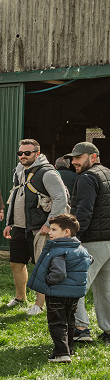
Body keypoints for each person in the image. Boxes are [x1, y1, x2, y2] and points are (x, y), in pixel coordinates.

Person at [3, 139, 68, 315]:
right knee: (16, 263)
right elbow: (14, 195)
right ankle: (20, 298)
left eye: (27, 153)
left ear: (37, 154)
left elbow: (61, 199)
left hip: (39, 229)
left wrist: (50, 224)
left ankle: (39, 305)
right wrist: (9, 222)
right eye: (20, 153)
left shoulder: (48, 173)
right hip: (18, 227)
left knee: (41, 266)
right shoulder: (19, 171)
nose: (23, 156)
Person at [27, 213, 93, 363]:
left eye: (54, 229)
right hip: (74, 295)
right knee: (70, 322)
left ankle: (61, 353)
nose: (50, 232)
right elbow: (90, 260)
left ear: (66, 232)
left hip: (57, 293)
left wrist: (49, 281)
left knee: (57, 323)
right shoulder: (81, 250)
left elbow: (58, 273)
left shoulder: (59, 251)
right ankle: (69, 349)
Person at [66, 142, 110, 344]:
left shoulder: (87, 178)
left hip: (92, 240)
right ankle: (108, 331)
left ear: (93, 157)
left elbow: (84, 210)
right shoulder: (107, 173)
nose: (74, 161)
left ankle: (81, 328)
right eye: (73, 158)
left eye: (78, 157)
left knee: (75, 284)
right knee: (106, 288)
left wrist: (74, 237)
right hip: (108, 242)